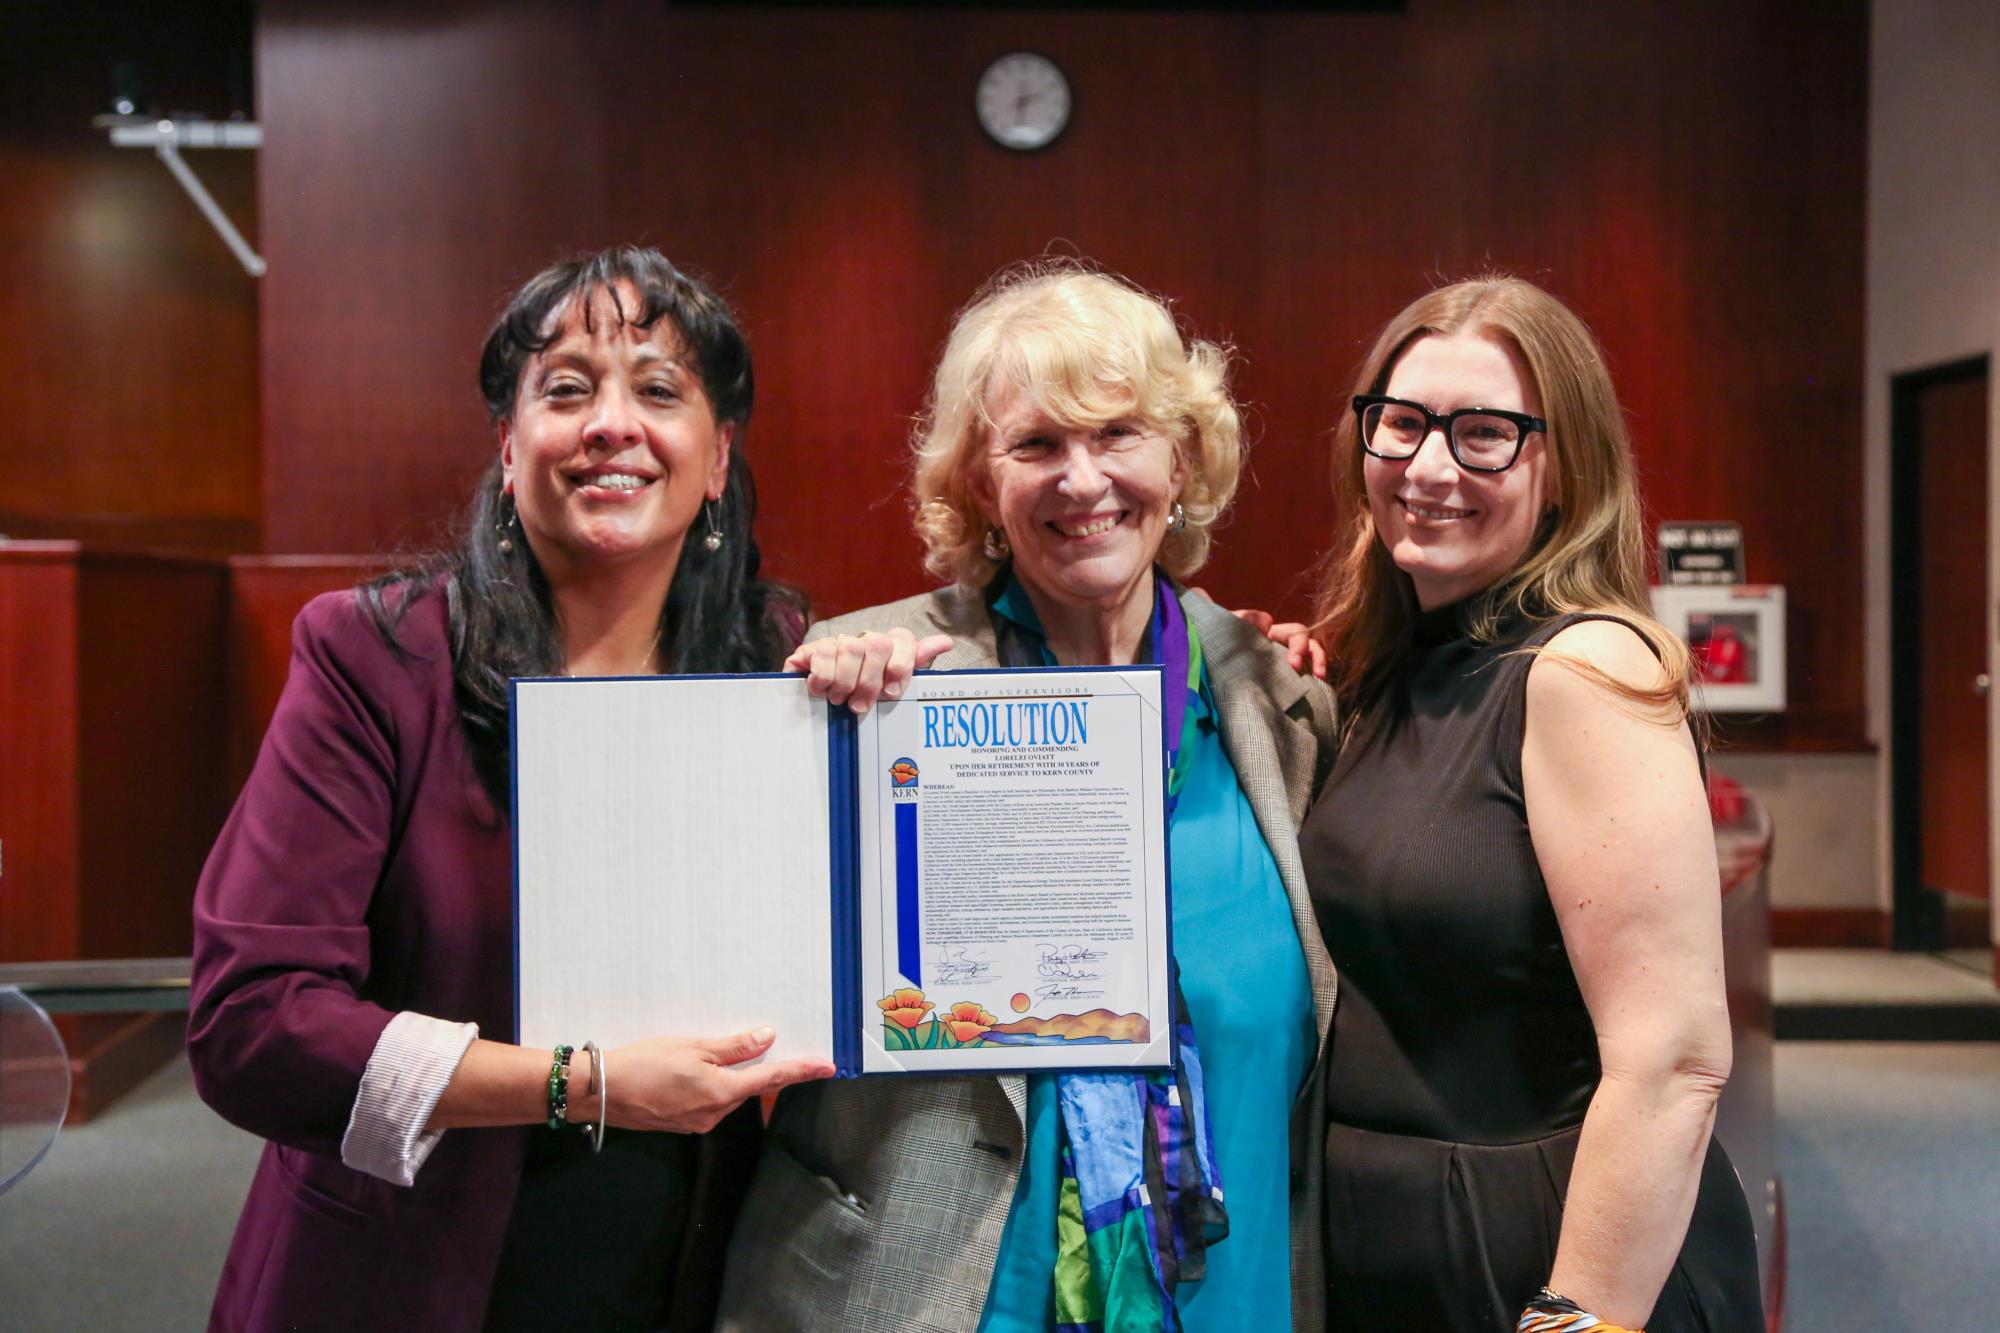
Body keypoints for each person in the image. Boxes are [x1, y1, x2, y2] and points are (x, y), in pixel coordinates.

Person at [188, 246, 834, 1333]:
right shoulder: (374, 659)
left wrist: (891, 668)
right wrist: (577, 1084)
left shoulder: (775, 666)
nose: (611, 424)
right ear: (508, 444)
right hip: (407, 1271)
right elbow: (251, 1022)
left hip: (685, 1261)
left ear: (717, 458)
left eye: (659, 390)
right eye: (567, 389)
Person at [717, 261, 1340, 1332]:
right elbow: (738, 968)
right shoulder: (873, 685)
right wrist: (813, 732)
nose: (1081, 479)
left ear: (1182, 460)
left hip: (1233, 1298)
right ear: (977, 484)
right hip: (927, 1298)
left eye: (1118, 434)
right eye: (1036, 444)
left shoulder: (1278, 704)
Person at [1299, 276, 1763, 1331]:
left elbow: (1674, 1059)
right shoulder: (1391, 666)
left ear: (1563, 469)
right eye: (1402, 424)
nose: (1427, 467)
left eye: (1483, 434)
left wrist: (1577, 1316)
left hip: (1544, 1253)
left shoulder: (1584, 671)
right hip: (1388, 1242)